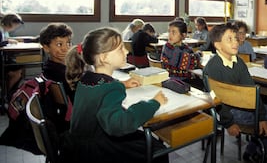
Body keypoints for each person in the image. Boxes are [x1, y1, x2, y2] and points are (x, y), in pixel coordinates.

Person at [60, 27, 168, 163]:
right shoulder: (111, 88)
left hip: (78, 146)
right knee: (157, 149)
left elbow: (101, 92)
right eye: (120, 48)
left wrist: (122, 84)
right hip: (96, 151)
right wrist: (153, 103)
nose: (127, 51)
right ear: (104, 57)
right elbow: (119, 125)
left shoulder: (85, 79)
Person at [203, 23, 267, 163]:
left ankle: (253, 149)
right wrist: (228, 123)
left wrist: (261, 116)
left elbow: (252, 90)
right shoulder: (212, 68)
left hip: (242, 107)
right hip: (228, 112)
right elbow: (215, 100)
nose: (235, 41)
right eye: (229, 39)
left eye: (236, 38)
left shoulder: (239, 62)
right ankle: (257, 152)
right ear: (218, 45)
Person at [160, 20, 203, 89]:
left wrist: (194, 56)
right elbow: (193, 61)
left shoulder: (183, 47)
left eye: (173, 32)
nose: (170, 35)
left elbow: (190, 55)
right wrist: (198, 55)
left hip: (182, 79)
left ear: (183, 35)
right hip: (177, 82)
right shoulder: (169, 48)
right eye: (169, 31)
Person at [39, 22, 75, 102]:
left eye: (68, 43)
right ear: (46, 48)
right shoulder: (62, 74)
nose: (66, 49)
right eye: (59, 44)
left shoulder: (48, 66)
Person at [0, 13, 25, 98]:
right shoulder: (1, 30)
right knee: (17, 71)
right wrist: (8, 42)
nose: (15, 28)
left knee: (19, 67)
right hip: (2, 59)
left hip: (4, 57)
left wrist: (9, 41)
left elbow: (5, 40)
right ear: (10, 23)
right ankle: (8, 94)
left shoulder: (4, 31)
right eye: (15, 26)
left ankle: (10, 92)